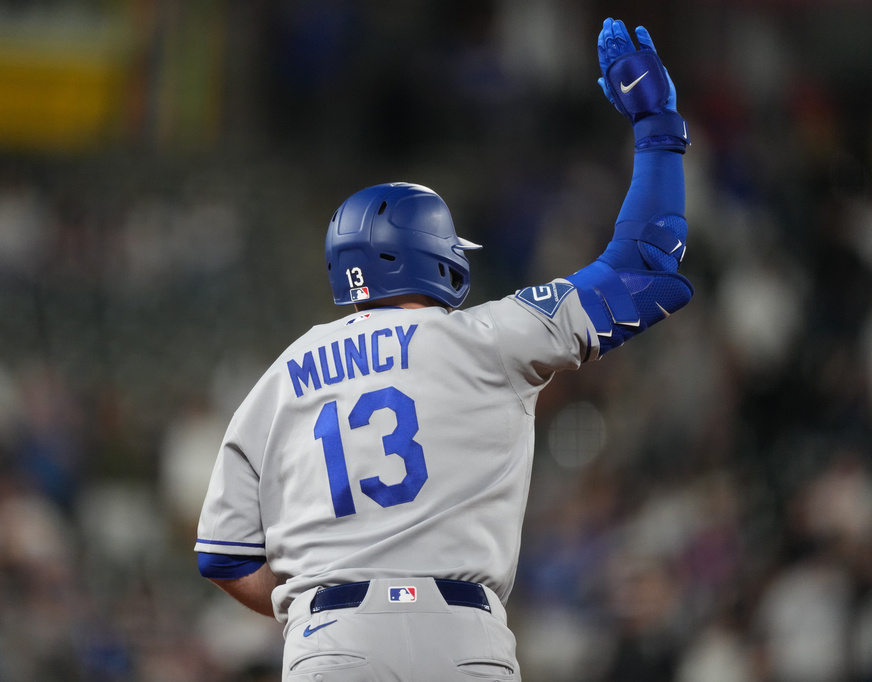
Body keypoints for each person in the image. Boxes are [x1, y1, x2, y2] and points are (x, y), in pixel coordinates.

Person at [195, 17, 692, 681]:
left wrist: (318, 609)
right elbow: (647, 267)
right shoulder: (489, 338)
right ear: (438, 259)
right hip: (462, 634)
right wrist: (658, 131)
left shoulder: (286, 374)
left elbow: (224, 555)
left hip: (332, 636)